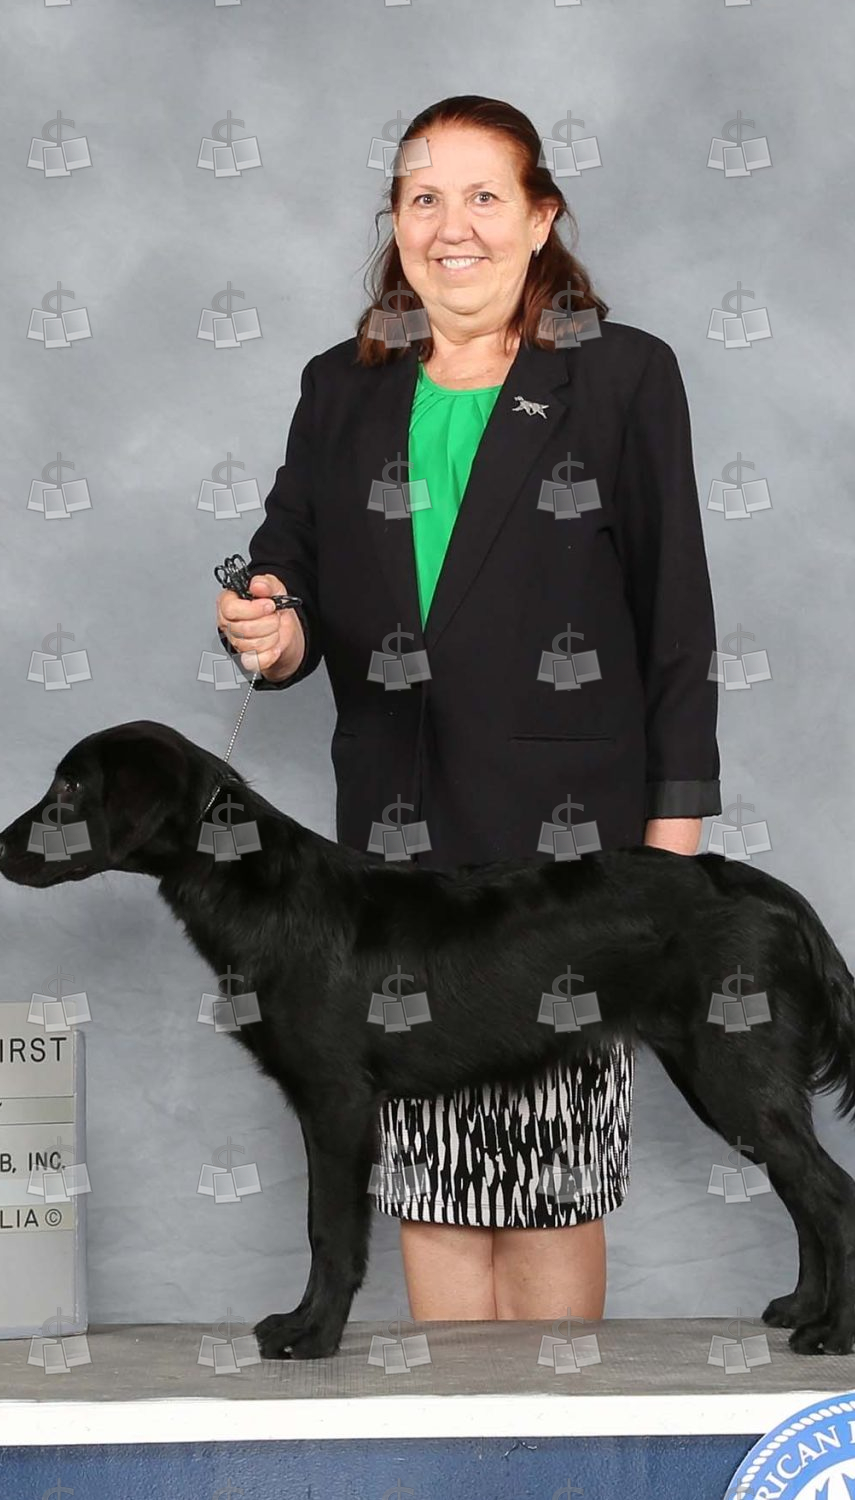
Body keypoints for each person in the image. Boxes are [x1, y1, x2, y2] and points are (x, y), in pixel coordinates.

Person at [212, 95, 721, 1329]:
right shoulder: (337, 388)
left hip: (571, 862)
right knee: (432, 1184)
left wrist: (670, 863)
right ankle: (460, 1448)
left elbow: (677, 621)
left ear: (541, 219)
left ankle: (555, 1443)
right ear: (394, 222)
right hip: (396, 863)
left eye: (485, 197)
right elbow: (289, 579)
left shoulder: (623, 376)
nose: (454, 226)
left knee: (549, 1183)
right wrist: (266, 629)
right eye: (423, 197)